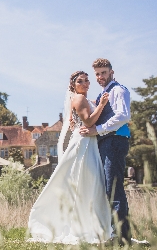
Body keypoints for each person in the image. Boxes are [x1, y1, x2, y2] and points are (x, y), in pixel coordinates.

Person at [27, 70, 112, 244]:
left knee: (90, 182)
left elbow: (80, 120)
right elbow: (88, 122)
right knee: (86, 181)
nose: (85, 83)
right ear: (73, 85)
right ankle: (82, 226)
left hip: (90, 141)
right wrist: (102, 105)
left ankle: (93, 224)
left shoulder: (86, 99)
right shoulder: (79, 98)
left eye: (87, 80)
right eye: (81, 81)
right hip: (84, 144)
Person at [79, 58, 131, 244]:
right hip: (106, 142)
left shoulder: (118, 90)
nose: (100, 76)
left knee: (114, 188)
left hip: (115, 141)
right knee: (107, 187)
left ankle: (122, 236)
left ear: (111, 72)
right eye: (98, 74)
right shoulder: (104, 94)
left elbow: (123, 116)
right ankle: (113, 231)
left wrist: (97, 130)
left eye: (104, 72)